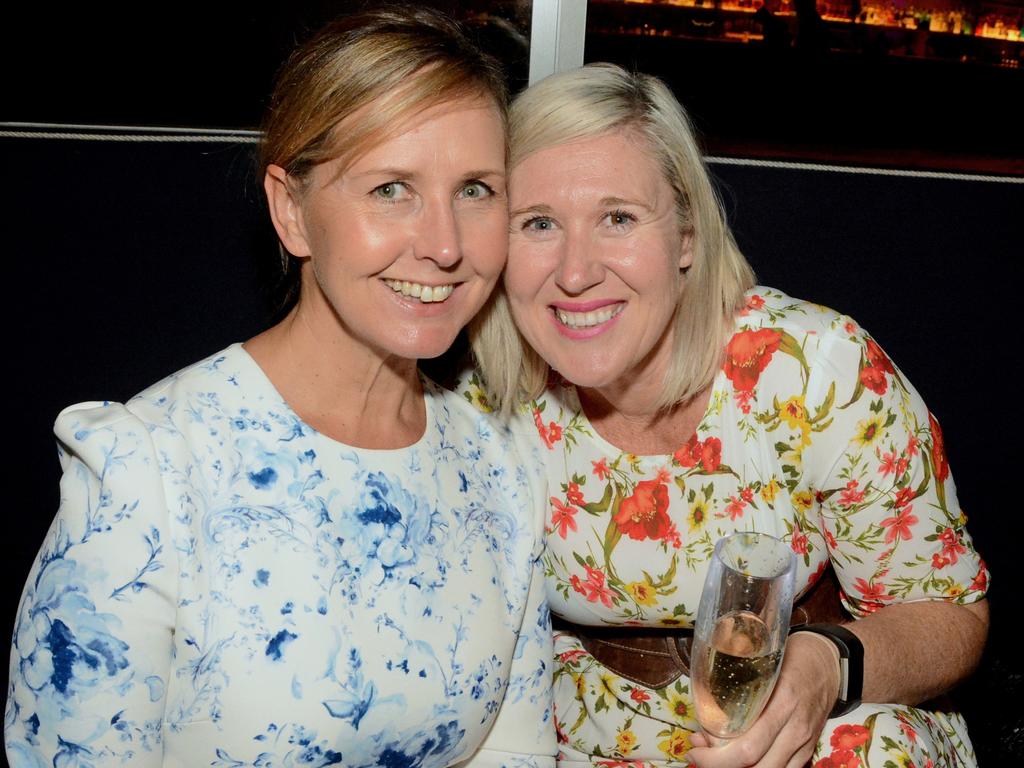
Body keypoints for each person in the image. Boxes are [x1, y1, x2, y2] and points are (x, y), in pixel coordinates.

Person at [5, 8, 555, 767]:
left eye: (475, 190)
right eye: (391, 188)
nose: (444, 245)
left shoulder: (499, 470)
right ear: (291, 211)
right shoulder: (147, 472)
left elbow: (515, 755)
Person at [467, 63, 989, 768]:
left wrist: (826, 668)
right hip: (577, 737)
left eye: (617, 217)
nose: (575, 270)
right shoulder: (480, 406)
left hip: (812, 716)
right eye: (537, 224)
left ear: (685, 234)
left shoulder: (813, 370)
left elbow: (950, 614)